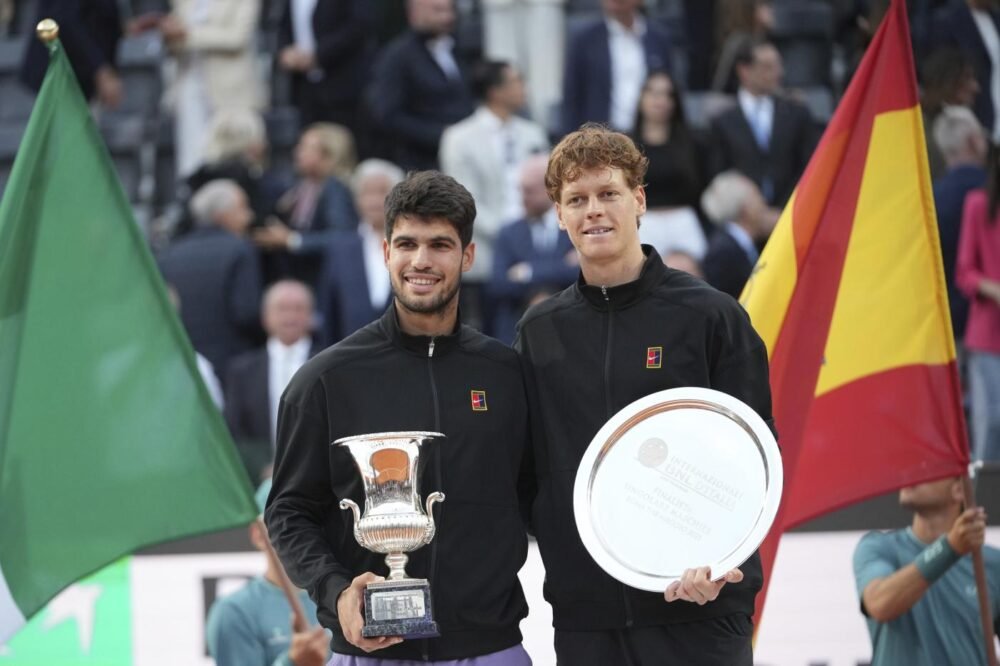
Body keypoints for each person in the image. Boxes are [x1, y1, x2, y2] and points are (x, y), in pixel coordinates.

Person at [515, 125, 774, 664]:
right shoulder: (539, 332)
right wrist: (569, 551)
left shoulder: (711, 315)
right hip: (588, 620)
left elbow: (754, 459)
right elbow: (530, 470)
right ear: (559, 215)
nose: (593, 210)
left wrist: (720, 559)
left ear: (639, 200)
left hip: (699, 608)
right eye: (576, 200)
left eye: (608, 193)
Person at [265, 171, 532, 664]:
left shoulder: (506, 374)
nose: (421, 261)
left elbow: (543, 498)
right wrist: (337, 593)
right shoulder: (326, 379)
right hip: (371, 652)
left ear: (468, 256)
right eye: (407, 244)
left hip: (489, 648)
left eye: (440, 245)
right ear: (386, 251)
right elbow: (287, 512)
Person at [853, 477, 1000, 665]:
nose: (911, 475)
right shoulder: (880, 547)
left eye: (928, 470)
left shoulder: (992, 564)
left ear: (958, 490)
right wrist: (949, 547)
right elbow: (879, 604)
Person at [207, 479, 329, 666]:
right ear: (258, 535)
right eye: (285, 522)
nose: (301, 534)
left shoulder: (344, 598)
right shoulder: (234, 612)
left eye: (312, 519)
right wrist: (292, 663)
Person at [157, 179, 262, 378]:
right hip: (230, 365)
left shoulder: (170, 254)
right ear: (222, 215)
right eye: (243, 208)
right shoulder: (240, 250)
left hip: (181, 361)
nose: (250, 216)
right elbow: (246, 313)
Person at [225, 280, 319, 483]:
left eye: (298, 309)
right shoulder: (242, 371)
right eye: (282, 309)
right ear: (265, 317)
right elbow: (234, 432)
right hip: (260, 483)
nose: (290, 317)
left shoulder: (331, 366)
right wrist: (264, 467)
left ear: (311, 316)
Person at [158, 0, 265, 178]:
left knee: (234, 159)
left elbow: (237, 38)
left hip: (231, 91)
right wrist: (170, 34)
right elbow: (174, 42)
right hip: (190, 84)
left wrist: (188, 35)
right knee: (192, 157)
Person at [366, 0, 475, 170]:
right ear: (414, 13)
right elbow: (387, 115)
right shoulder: (397, 57)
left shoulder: (458, 49)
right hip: (420, 162)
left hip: (465, 155)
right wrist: (440, 135)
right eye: (437, 11)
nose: (447, 17)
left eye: (449, 10)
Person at [708, 38, 816, 208]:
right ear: (744, 70)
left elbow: (808, 166)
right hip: (742, 215)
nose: (778, 73)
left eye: (778, 65)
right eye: (767, 67)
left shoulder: (797, 113)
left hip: (792, 211)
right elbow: (720, 176)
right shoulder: (723, 121)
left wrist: (784, 209)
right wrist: (754, 212)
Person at [255, 123, 359, 288]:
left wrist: (292, 240)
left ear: (328, 155)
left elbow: (340, 237)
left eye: (305, 147)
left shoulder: (335, 188)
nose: (297, 152)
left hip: (321, 282)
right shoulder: (303, 187)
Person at [490, 153, 577, 345]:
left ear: (550, 189)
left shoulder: (574, 227)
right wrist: (562, 267)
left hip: (571, 331)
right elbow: (499, 284)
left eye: (529, 191)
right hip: (517, 335)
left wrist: (528, 272)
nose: (522, 198)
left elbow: (583, 274)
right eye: (520, 190)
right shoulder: (509, 233)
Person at [319, 159, 404, 344]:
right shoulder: (340, 249)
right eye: (367, 192)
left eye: (382, 192)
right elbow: (331, 315)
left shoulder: (413, 247)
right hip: (352, 354)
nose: (375, 201)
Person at [560, 0, 673, 135]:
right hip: (600, 138)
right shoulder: (585, 40)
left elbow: (670, 89)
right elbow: (572, 98)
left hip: (648, 137)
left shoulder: (658, 38)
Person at [631, 69, 707, 261]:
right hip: (643, 223)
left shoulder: (692, 143)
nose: (661, 100)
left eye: (668, 94)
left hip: (683, 221)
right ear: (641, 97)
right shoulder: (626, 145)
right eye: (654, 93)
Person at [957, 147, 1000, 463]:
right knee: (992, 423)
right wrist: (992, 289)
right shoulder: (978, 204)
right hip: (988, 336)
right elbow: (964, 272)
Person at [931, 106, 988, 343]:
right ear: (974, 141)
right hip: (990, 320)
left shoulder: (931, 200)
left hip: (949, 324)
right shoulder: (990, 192)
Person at [700, 170, 775, 299]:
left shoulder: (746, 243)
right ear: (746, 209)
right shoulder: (722, 253)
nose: (763, 202)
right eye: (757, 196)